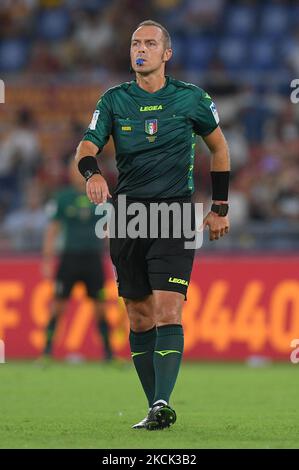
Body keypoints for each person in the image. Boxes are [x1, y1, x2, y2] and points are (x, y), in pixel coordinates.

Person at [75, 20, 230, 430]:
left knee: (168, 309)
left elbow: (219, 147)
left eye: (150, 43)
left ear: (167, 54)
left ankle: (163, 400)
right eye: (135, 43)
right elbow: (87, 146)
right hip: (128, 216)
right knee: (139, 315)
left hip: (175, 214)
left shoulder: (192, 99)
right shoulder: (112, 101)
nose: (140, 49)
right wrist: (92, 174)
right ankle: (154, 408)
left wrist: (220, 207)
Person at [40, 160, 114, 363]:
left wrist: (117, 257)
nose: (78, 174)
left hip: (93, 259)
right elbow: (52, 230)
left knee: (100, 307)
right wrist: (47, 260)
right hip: (69, 259)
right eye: (74, 170)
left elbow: (108, 229)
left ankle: (109, 354)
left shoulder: (100, 196)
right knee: (58, 306)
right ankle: (46, 352)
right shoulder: (63, 198)